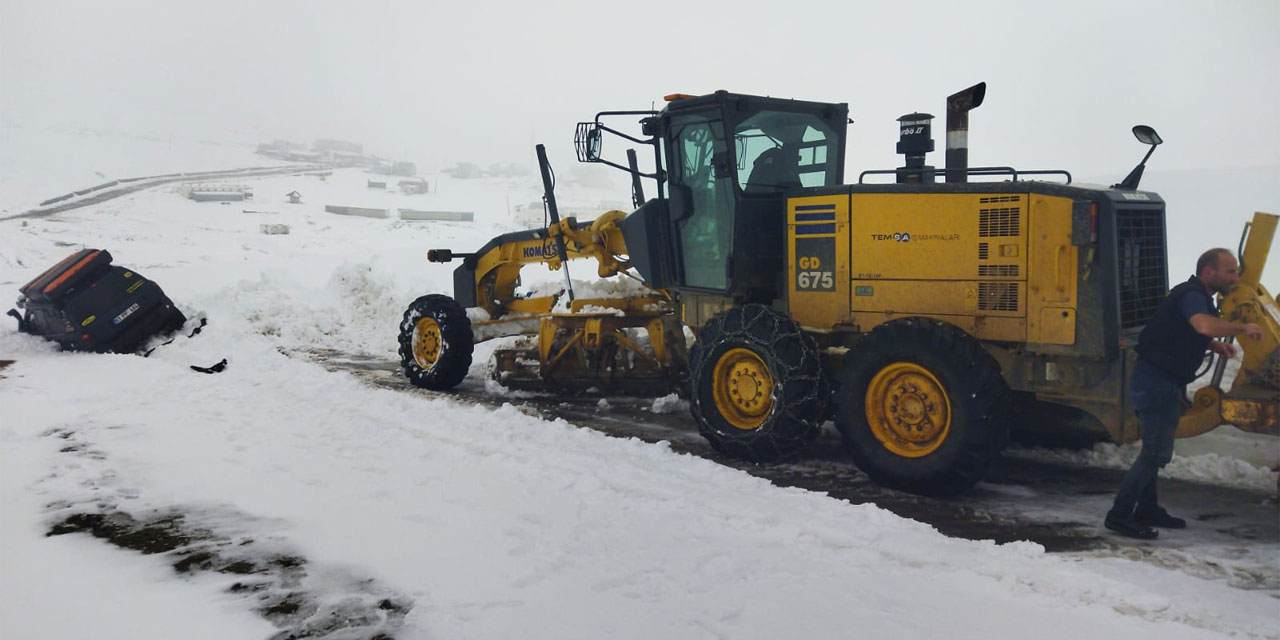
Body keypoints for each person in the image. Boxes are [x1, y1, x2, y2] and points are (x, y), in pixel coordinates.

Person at [1105, 248, 1265, 539]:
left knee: (1153, 451)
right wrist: (1242, 327)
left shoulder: (1197, 296)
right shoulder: (1192, 295)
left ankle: (1147, 509)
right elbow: (1201, 324)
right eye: (1230, 271)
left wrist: (1213, 345)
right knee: (1155, 452)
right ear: (1208, 272)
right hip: (1156, 382)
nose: (1235, 277)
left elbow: (1181, 331)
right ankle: (1119, 515)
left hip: (1162, 380)